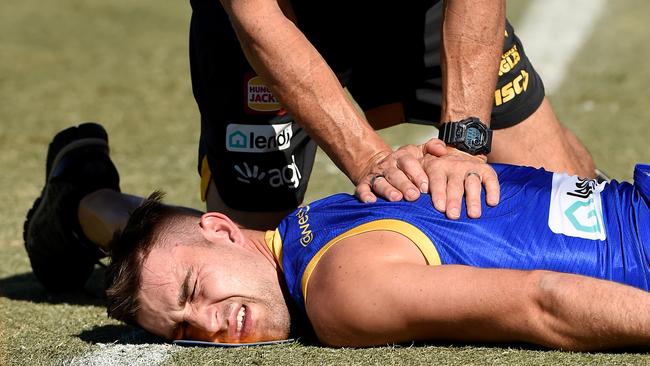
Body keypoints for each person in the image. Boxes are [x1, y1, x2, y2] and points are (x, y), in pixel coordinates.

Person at [24, 123, 650, 351]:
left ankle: (84, 200)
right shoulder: (309, 258)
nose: (212, 325)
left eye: (195, 290)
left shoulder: (332, 285)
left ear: (223, 232)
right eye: (184, 331)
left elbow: (543, 299)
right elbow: (538, 299)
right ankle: (86, 201)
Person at [190, 0, 596, 229]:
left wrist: (465, 144)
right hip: (278, 13)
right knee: (249, 253)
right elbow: (255, 14)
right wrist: (370, 161)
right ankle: (123, 211)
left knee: (565, 213)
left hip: (416, 5)